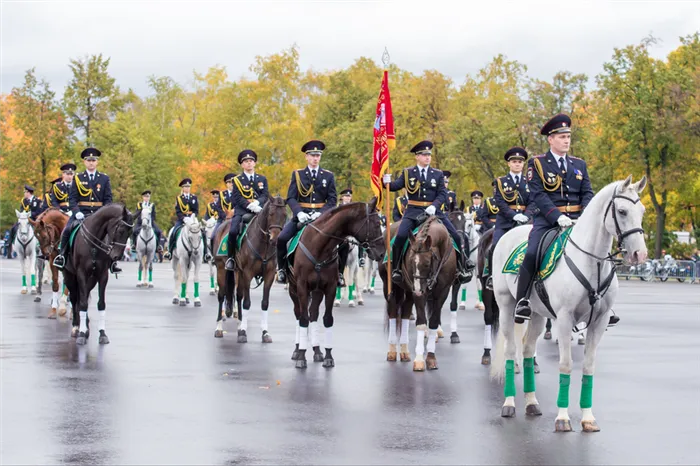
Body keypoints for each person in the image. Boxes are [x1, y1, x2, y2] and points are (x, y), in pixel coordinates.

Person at [514, 114, 596, 323]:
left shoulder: (579, 165)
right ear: (551, 139)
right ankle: (522, 300)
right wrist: (557, 216)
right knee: (532, 252)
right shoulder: (537, 164)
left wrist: (585, 215)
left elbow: (587, 192)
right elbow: (538, 195)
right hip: (548, 221)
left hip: (578, 221)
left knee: (597, 253)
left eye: (568, 136)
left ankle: (601, 302)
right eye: (561, 137)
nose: (567, 140)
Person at [382, 140, 472, 284]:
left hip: (434, 212)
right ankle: (397, 269)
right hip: (413, 212)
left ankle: (462, 266)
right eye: (424, 155)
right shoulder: (408, 173)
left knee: (456, 235)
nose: (427, 157)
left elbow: (442, 193)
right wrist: (385, 181)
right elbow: (394, 186)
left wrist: (435, 205)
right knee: (400, 237)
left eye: (429, 155)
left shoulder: (437, 174)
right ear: (417, 157)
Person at [276, 140, 337, 284]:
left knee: (343, 242)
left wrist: (321, 213)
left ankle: (339, 274)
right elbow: (291, 197)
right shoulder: (298, 175)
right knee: (281, 239)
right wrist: (299, 213)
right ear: (306, 157)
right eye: (312, 155)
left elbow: (333, 199)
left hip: (322, 217)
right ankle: (282, 270)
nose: (315, 158)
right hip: (302, 215)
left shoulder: (328, 176)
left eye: (318, 155)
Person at [53, 148, 122, 274]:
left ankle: (112, 261)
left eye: (93, 160)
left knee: (113, 233)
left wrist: (104, 213)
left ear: (97, 162)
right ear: (85, 162)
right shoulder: (78, 178)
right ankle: (62, 256)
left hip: (99, 214)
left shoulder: (104, 179)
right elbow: (72, 198)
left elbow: (108, 199)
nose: (91, 163)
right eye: (89, 160)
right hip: (82, 213)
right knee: (67, 230)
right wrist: (76, 211)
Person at [484, 147, 537, 289]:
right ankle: (491, 275)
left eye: (520, 162)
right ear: (509, 164)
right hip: (506, 222)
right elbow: (499, 202)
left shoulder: (529, 182)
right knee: (494, 247)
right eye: (514, 161)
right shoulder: (500, 182)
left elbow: (533, 201)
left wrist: (526, 216)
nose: (517, 164)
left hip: (526, 221)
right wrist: (514, 216)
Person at [225, 149, 269, 271]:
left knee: (273, 230)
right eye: (246, 161)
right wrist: (250, 206)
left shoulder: (262, 179)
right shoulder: (237, 180)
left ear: (255, 163)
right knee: (233, 231)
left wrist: (258, 203)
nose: (249, 163)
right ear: (242, 164)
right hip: (242, 211)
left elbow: (265, 195)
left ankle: (271, 258)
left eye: (251, 161)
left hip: (259, 210)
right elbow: (237, 198)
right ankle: (231, 258)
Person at [164, 178, 212, 262]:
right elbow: (178, 211)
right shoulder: (179, 198)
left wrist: (193, 215)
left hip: (192, 219)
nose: (187, 188)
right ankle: (170, 252)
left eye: (188, 187)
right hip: (182, 219)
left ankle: (205, 253)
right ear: (182, 188)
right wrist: (183, 218)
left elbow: (196, 210)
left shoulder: (193, 197)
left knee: (202, 232)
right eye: (185, 187)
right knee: (174, 232)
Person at [336, 188, 365, 286]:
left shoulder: (354, 208)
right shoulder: (338, 208)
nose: (348, 198)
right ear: (342, 197)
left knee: (360, 237)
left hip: (352, 232)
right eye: (346, 196)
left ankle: (361, 257)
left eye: (349, 196)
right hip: (341, 234)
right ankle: (339, 271)